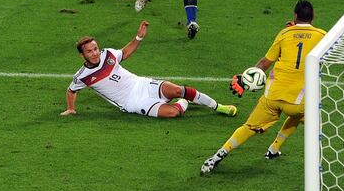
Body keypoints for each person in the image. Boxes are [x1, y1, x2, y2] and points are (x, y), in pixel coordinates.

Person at [200, 0, 326, 175]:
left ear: (295, 16)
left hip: (272, 97)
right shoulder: (322, 36)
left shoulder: (284, 33)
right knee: (301, 115)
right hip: (297, 103)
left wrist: (245, 79)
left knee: (249, 127)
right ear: (313, 17)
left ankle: (217, 156)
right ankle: (276, 149)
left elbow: (265, 63)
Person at [60, 20, 237, 118]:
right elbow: (71, 90)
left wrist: (138, 37)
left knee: (178, 89)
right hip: (132, 103)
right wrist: (71, 108)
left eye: (95, 48)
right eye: (89, 51)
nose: (94, 53)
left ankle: (218, 107)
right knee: (173, 113)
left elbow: (125, 52)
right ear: (82, 55)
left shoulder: (109, 54)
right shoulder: (82, 76)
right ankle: (184, 103)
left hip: (142, 84)